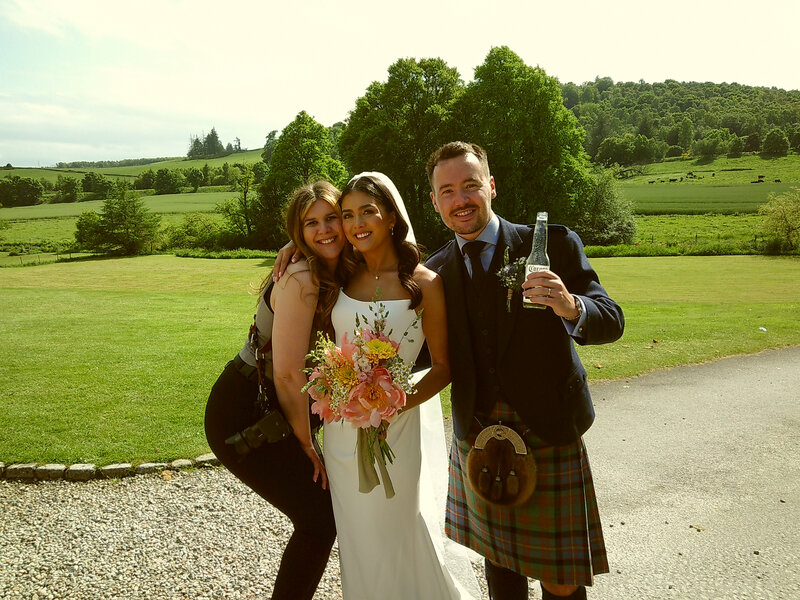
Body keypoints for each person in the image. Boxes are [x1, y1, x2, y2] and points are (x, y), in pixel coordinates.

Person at [425, 141, 625, 600]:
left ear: (491, 187)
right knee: (499, 560)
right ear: (435, 201)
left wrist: (570, 306)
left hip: (547, 428)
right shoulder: (434, 272)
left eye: (471, 185)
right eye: (448, 190)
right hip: (476, 433)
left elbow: (610, 319)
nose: (462, 200)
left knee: (560, 577)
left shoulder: (553, 243)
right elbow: (420, 351)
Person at [323, 172, 480, 599]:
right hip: (340, 430)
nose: (357, 223)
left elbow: (443, 367)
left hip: (397, 424)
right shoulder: (340, 273)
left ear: (391, 216)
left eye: (368, 212)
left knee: (396, 528)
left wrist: (393, 404)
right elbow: (307, 241)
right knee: (356, 538)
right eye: (348, 214)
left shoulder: (424, 283)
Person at [204, 180, 345, 600]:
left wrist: (297, 240)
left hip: (282, 406)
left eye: (332, 218)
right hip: (245, 411)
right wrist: (306, 444)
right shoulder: (301, 276)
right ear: (298, 231)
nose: (324, 230)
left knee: (322, 517)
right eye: (310, 224)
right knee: (320, 519)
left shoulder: (331, 266)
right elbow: (286, 374)